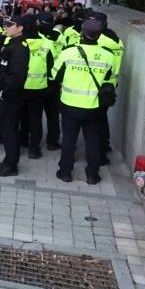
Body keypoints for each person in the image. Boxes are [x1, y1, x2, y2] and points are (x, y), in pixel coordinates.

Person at [52, 18, 115, 184]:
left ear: (81, 33)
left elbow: (55, 75)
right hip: (94, 106)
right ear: (100, 35)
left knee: (69, 140)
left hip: (70, 103)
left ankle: (65, 172)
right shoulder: (108, 55)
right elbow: (109, 81)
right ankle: (92, 175)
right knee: (92, 140)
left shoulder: (68, 52)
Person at [0, 15, 30, 177]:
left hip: (10, 96)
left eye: (9, 25)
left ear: (20, 28)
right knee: (6, 129)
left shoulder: (20, 47)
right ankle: (8, 160)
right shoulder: (12, 43)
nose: (6, 26)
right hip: (5, 93)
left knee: (10, 131)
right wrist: (2, 34)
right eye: (5, 24)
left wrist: (4, 92)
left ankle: (11, 165)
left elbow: (17, 76)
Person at [87, 10, 123, 166]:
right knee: (102, 120)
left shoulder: (101, 41)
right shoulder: (116, 40)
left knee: (95, 125)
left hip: (98, 85)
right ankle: (105, 146)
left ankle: (99, 156)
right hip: (109, 86)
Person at [20, 15, 53, 160]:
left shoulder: (17, 42)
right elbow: (51, 66)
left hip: (20, 87)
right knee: (36, 119)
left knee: (20, 117)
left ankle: (22, 141)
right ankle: (34, 149)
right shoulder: (46, 44)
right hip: (39, 88)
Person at [37, 12, 64, 151]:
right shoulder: (60, 37)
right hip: (54, 80)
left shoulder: (37, 37)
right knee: (53, 115)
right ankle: (52, 142)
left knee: (36, 115)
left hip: (38, 80)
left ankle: (34, 142)